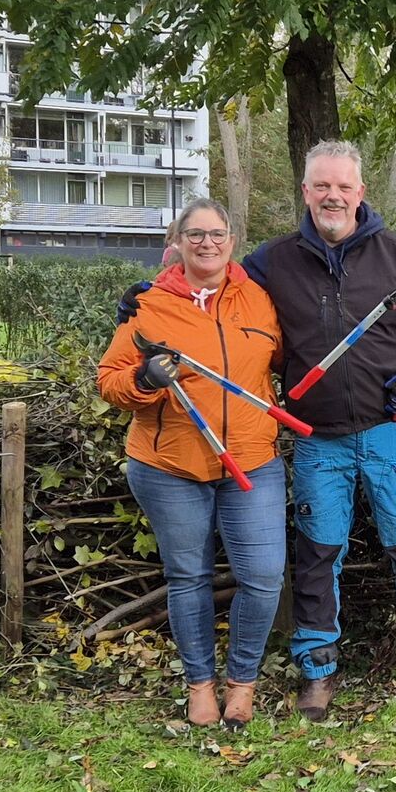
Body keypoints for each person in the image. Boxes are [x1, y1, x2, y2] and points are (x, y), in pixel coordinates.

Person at [241, 142, 396, 719]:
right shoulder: (271, 262)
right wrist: (152, 297)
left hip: (394, 432)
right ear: (306, 191)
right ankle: (317, 670)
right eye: (321, 186)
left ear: (361, 193)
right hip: (317, 436)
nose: (332, 196)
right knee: (317, 554)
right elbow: (216, 304)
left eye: (343, 187)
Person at [96, 199, 286, 729]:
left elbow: (283, 362)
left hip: (252, 458)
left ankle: (241, 683)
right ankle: (199, 685)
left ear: (232, 239)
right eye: (195, 234)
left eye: (217, 233)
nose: (207, 243)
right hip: (170, 465)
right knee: (189, 576)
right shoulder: (149, 305)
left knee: (265, 576)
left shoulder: (259, 300)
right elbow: (110, 379)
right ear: (176, 242)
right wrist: (145, 382)